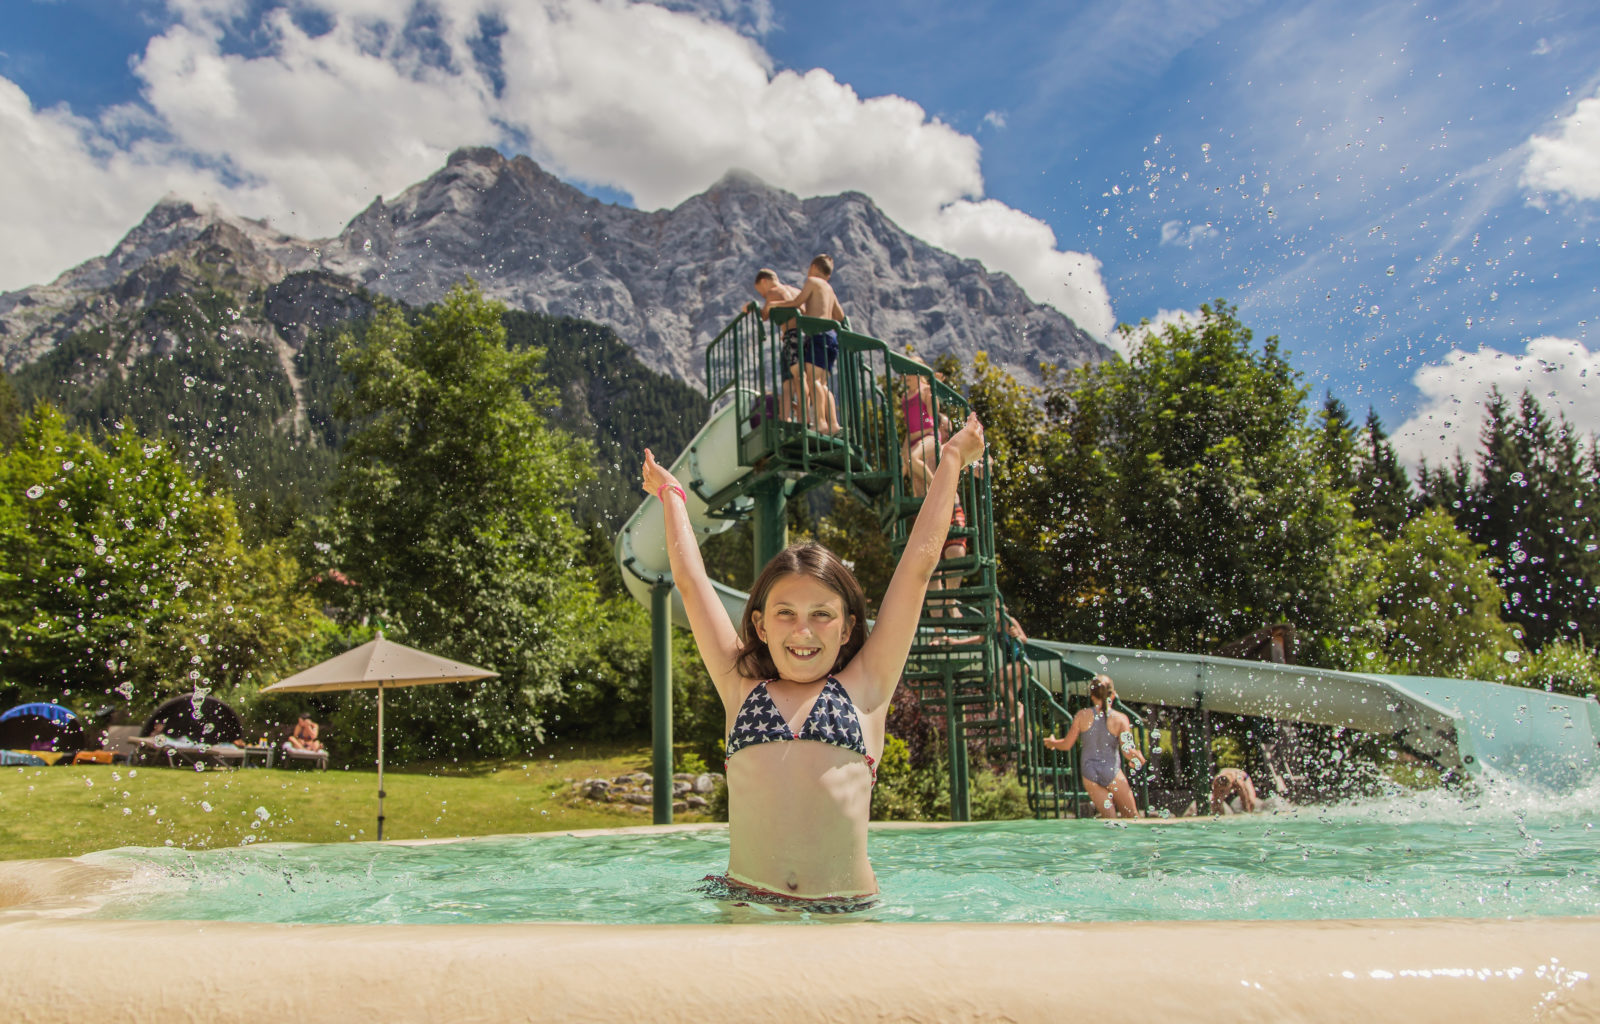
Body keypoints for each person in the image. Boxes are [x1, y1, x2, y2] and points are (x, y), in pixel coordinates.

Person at [642, 412, 986, 906]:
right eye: (785, 613)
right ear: (761, 625)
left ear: (847, 628)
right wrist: (672, 496)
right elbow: (692, 584)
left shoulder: (867, 688)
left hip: (844, 908)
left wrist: (950, 458)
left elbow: (917, 567)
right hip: (749, 902)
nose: (802, 631)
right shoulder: (739, 686)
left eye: (821, 615)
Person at [1043, 675, 1145, 819]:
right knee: (1132, 816)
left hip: (1090, 773)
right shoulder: (1121, 719)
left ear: (1091, 695)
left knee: (1110, 820)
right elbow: (1127, 751)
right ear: (1113, 695)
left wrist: (1053, 742)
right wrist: (1137, 756)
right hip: (1112, 772)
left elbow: (1066, 745)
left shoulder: (1081, 716)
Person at [764, 254, 845, 435]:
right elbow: (840, 315)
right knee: (823, 384)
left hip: (817, 335)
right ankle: (833, 423)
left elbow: (797, 302)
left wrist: (773, 305)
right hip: (831, 337)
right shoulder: (830, 289)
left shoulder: (812, 281)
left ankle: (821, 423)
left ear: (813, 267)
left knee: (812, 380)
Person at [747, 268, 805, 423]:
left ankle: (791, 417)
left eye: (760, 291)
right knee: (796, 378)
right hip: (803, 335)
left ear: (764, 281)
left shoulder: (773, 292)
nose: (763, 295)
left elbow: (764, 315)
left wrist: (750, 308)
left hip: (791, 336)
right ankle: (796, 416)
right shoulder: (795, 291)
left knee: (793, 379)